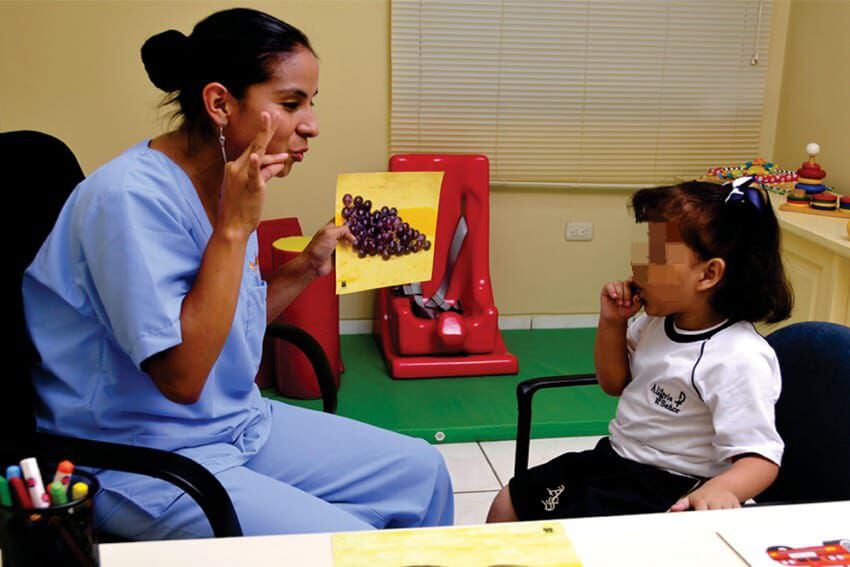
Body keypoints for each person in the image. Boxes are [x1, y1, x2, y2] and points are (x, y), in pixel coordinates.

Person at [23, 8, 452, 539]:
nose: (312, 123)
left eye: (311, 103)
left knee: (422, 473)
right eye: (292, 103)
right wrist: (233, 228)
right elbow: (181, 377)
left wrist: (304, 268)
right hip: (138, 456)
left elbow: (228, 325)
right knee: (348, 544)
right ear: (221, 103)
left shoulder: (228, 181)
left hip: (235, 425)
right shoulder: (127, 201)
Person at [488, 177, 793, 522]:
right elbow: (613, 382)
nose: (638, 267)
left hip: (671, 484)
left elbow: (761, 458)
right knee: (509, 503)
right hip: (615, 460)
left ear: (709, 274)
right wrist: (612, 323)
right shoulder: (656, 321)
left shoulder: (739, 357)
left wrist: (723, 488)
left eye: (657, 257)